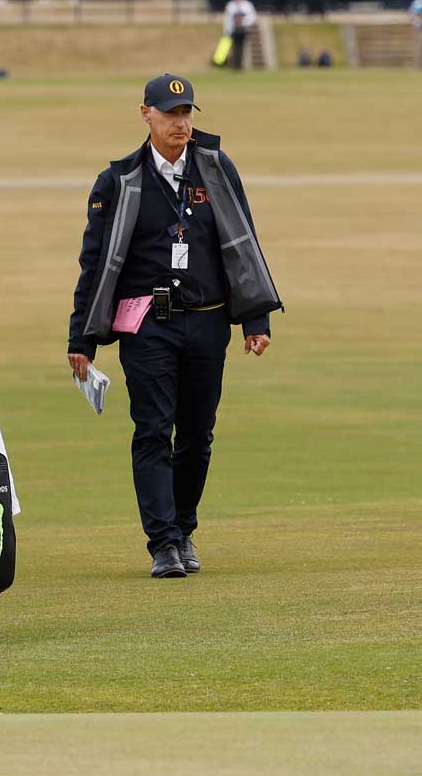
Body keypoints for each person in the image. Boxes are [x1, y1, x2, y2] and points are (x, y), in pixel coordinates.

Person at [67, 74, 282, 578]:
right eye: (170, 114)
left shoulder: (216, 168)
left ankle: (183, 528)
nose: (181, 124)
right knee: (152, 431)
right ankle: (163, 543)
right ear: (146, 114)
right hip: (146, 327)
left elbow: (243, 242)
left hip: (208, 324)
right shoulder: (118, 180)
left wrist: (256, 317)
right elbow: (94, 263)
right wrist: (81, 338)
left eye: (187, 114)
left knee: (198, 435)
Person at [223, 0, 257, 71]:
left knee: (242, 47)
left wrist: (243, 22)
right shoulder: (230, 5)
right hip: (233, 29)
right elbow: (227, 19)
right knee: (234, 47)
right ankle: (233, 65)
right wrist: (226, 30)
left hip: (243, 29)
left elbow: (252, 17)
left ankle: (240, 65)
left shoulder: (247, 5)